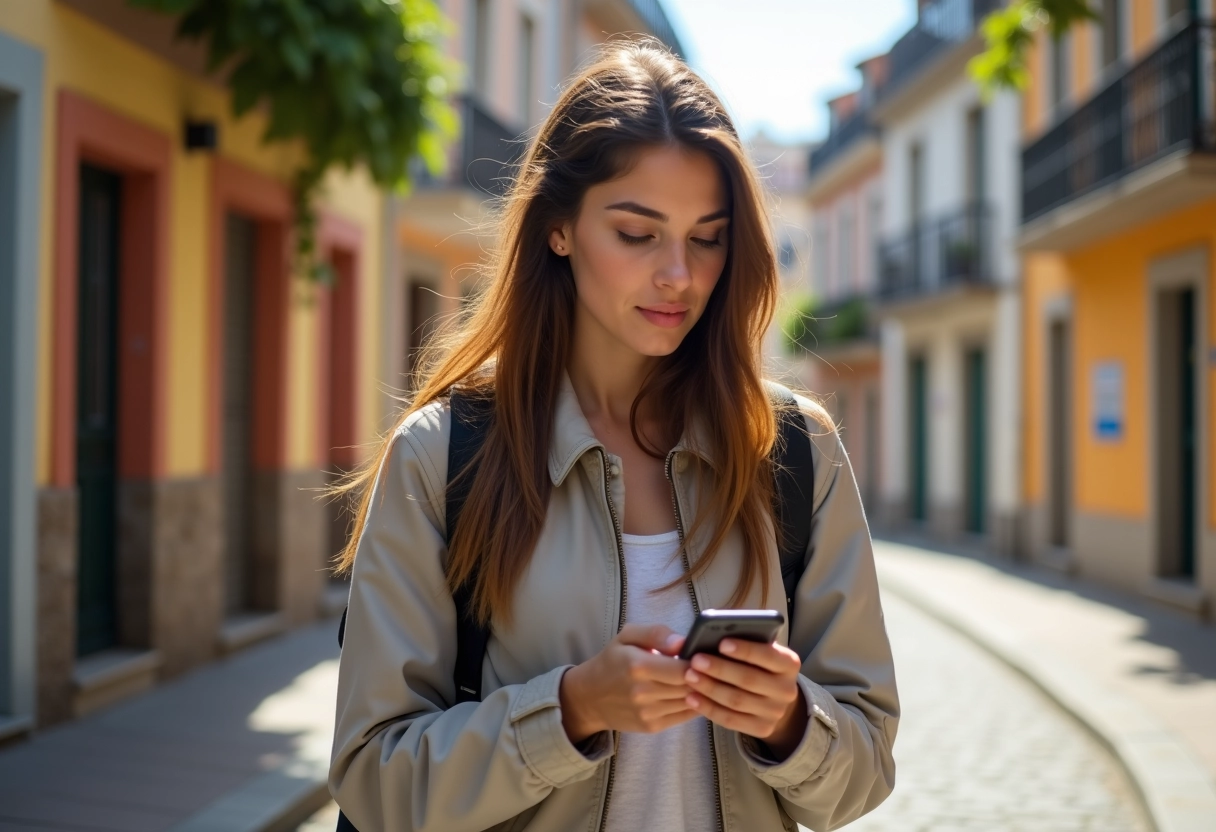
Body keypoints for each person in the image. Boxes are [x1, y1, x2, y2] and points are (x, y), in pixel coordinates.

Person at [328, 38, 898, 832]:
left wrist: (790, 722)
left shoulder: (796, 450)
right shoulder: (440, 457)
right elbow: (373, 777)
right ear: (559, 228)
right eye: (638, 234)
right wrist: (567, 710)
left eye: (707, 237)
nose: (679, 275)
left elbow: (866, 766)